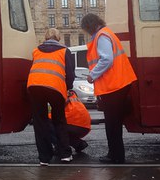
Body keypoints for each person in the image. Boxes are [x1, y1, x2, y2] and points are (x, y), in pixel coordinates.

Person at [80, 13, 137, 164]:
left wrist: (92, 75)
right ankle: (116, 154)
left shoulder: (102, 36)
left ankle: (115, 156)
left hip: (114, 86)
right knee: (114, 123)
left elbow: (106, 59)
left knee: (112, 123)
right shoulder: (106, 33)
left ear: (90, 25)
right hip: (118, 84)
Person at [27, 28, 75, 165]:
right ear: (58, 38)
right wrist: (68, 87)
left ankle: (44, 158)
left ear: (46, 37)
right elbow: (70, 74)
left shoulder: (36, 51)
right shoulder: (64, 51)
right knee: (59, 120)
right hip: (55, 87)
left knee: (40, 122)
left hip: (35, 86)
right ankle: (65, 154)